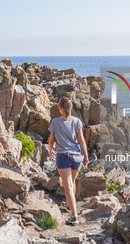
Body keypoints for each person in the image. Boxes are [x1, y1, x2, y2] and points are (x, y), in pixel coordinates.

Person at [48, 96, 89, 226]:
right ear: (70, 108)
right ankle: (70, 205)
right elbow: (82, 141)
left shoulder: (55, 122)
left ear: (60, 108)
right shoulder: (77, 121)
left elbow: (51, 140)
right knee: (71, 183)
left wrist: (50, 150)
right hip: (77, 157)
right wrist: (86, 157)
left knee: (68, 187)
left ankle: (74, 216)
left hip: (63, 157)